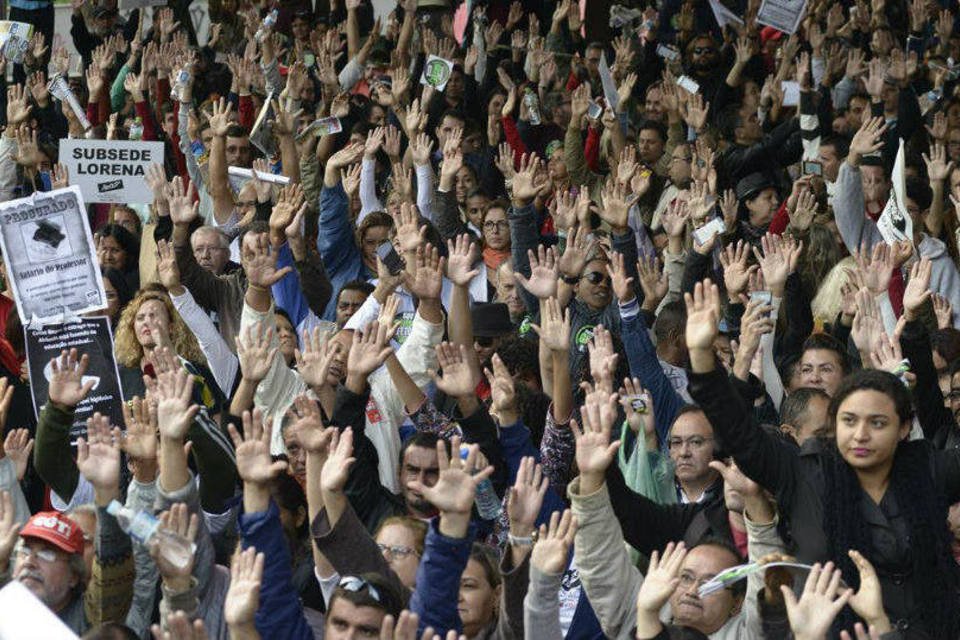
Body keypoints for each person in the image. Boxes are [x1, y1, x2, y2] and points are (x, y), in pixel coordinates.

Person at [684, 278, 960, 636]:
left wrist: (911, 324)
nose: (860, 434)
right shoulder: (803, 474)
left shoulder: (928, 467)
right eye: (848, 420)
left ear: (904, 428)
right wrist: (703, 358)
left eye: (876, 422)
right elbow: (738, 433)